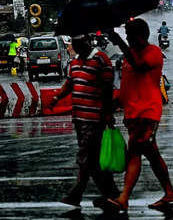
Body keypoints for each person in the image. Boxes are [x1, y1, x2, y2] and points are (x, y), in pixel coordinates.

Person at [105, 19, 173, 212]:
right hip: (132, 114)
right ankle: (169, 191)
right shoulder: (128, 57)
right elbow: (127, 85)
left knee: (135, 151)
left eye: (129, 35)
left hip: (148, 113)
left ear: (139, 36)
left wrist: (118, 40)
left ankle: (124, 197)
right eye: (125, 35)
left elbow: (139, 67)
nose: (127, 38)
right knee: (151, 154)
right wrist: (112, 106)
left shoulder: (153, 53)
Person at [44, 34, 119, 208]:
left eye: (78, 43)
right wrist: (56, 98)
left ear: (86, 42)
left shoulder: (101, 59)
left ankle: (77, 194)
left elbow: (108, 88)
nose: (76, 47)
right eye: (74, 44)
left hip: (95, 118)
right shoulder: (75, 62)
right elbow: (70, 83)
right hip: (79, 118)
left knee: (86, 157)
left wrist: (107, 113)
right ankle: (112, 195)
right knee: (93, 160)